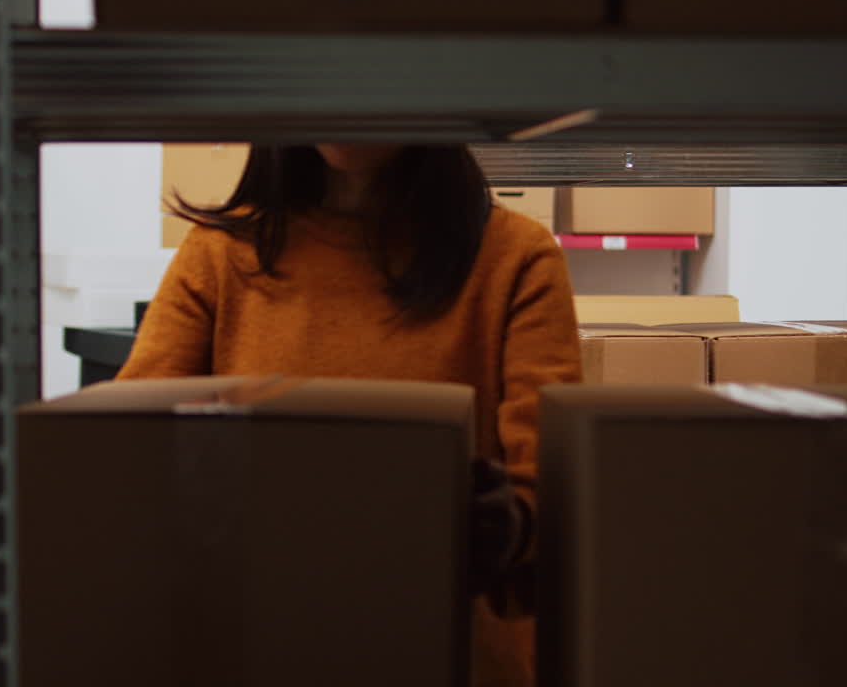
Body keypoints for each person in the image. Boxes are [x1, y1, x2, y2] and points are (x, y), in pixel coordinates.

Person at [117, 143, 582, 686]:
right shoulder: (219, 255)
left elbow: (556, 484)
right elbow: (130, 460)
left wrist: (510, 521)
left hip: (453, 654)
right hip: (264, 645)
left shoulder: (515, 257)